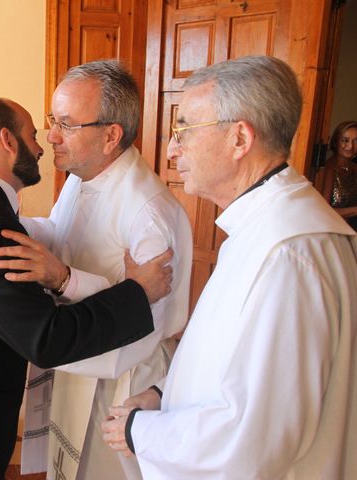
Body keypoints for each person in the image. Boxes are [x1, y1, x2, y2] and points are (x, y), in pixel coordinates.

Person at [0, 95, 174, 480]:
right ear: (8, 141)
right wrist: (138, 293)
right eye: (34, 134)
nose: (42, 145)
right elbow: (47, 339)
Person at [101, 56, 357, 479]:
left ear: (240, 138)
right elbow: (240, 369)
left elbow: (255, 439)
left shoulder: (288, 255)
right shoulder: (265, 228)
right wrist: (164, 395)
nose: (171, 148)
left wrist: (138, 431)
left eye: (184, 129)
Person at [0, 59, 192, 480]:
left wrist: (64, 278)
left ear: (110, 135)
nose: (51, 135)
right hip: (81, 358)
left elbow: (146, 312)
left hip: (120, 380)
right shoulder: (82, 179)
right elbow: (60, 232)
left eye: (66, 122)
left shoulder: (147, 211)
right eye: (52, 119)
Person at [322, 120, 357, 229]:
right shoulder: (329, 169)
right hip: (333, 231)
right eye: (345, 140)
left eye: (356, 141)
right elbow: (324, 210)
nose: (350, 146)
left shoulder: (355, 168)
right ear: (336, 142)